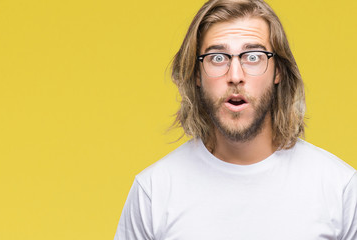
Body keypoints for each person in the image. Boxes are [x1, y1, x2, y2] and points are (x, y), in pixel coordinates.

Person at [114, 0, 357, 239]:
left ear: (278, 71)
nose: (235, 76)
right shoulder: (153, 192)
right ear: (197, 74)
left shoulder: (341, 188)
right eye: (218, 58)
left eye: (253, 56)